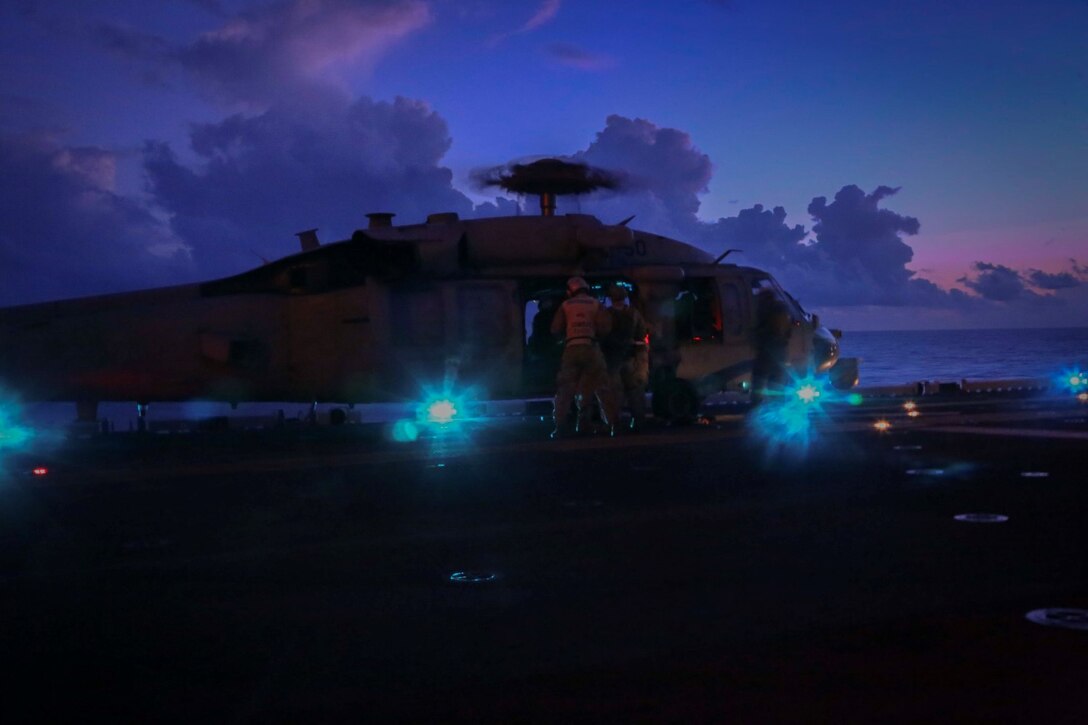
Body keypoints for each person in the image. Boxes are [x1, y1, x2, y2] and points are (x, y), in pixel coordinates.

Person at [549, 277, 617, 437]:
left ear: (570, 291)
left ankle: (560, 427)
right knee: (601, 387)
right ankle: (613, 424)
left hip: (571, 349)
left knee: (565, 390)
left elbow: (555, 328)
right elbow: (605, 328)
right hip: (591, 347)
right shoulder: (595, 304)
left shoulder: (565, 305)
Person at [602, 284, 649, 431]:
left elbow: (601, 333)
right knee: (635, 391)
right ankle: (638, 422)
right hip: (632, 356)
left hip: (612, 358)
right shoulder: (634, 313)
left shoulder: (606, 314)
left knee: (613, 394)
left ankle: (614, 425)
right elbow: (642, 333)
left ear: (611, 298)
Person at [750, 288, 792, 404]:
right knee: (776, 384)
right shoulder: (780, 309)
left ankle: (757, 405)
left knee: (759, 382)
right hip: (778, 353)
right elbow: (786, 331)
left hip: (766, 352)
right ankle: (776, 407)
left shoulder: (764, 311)